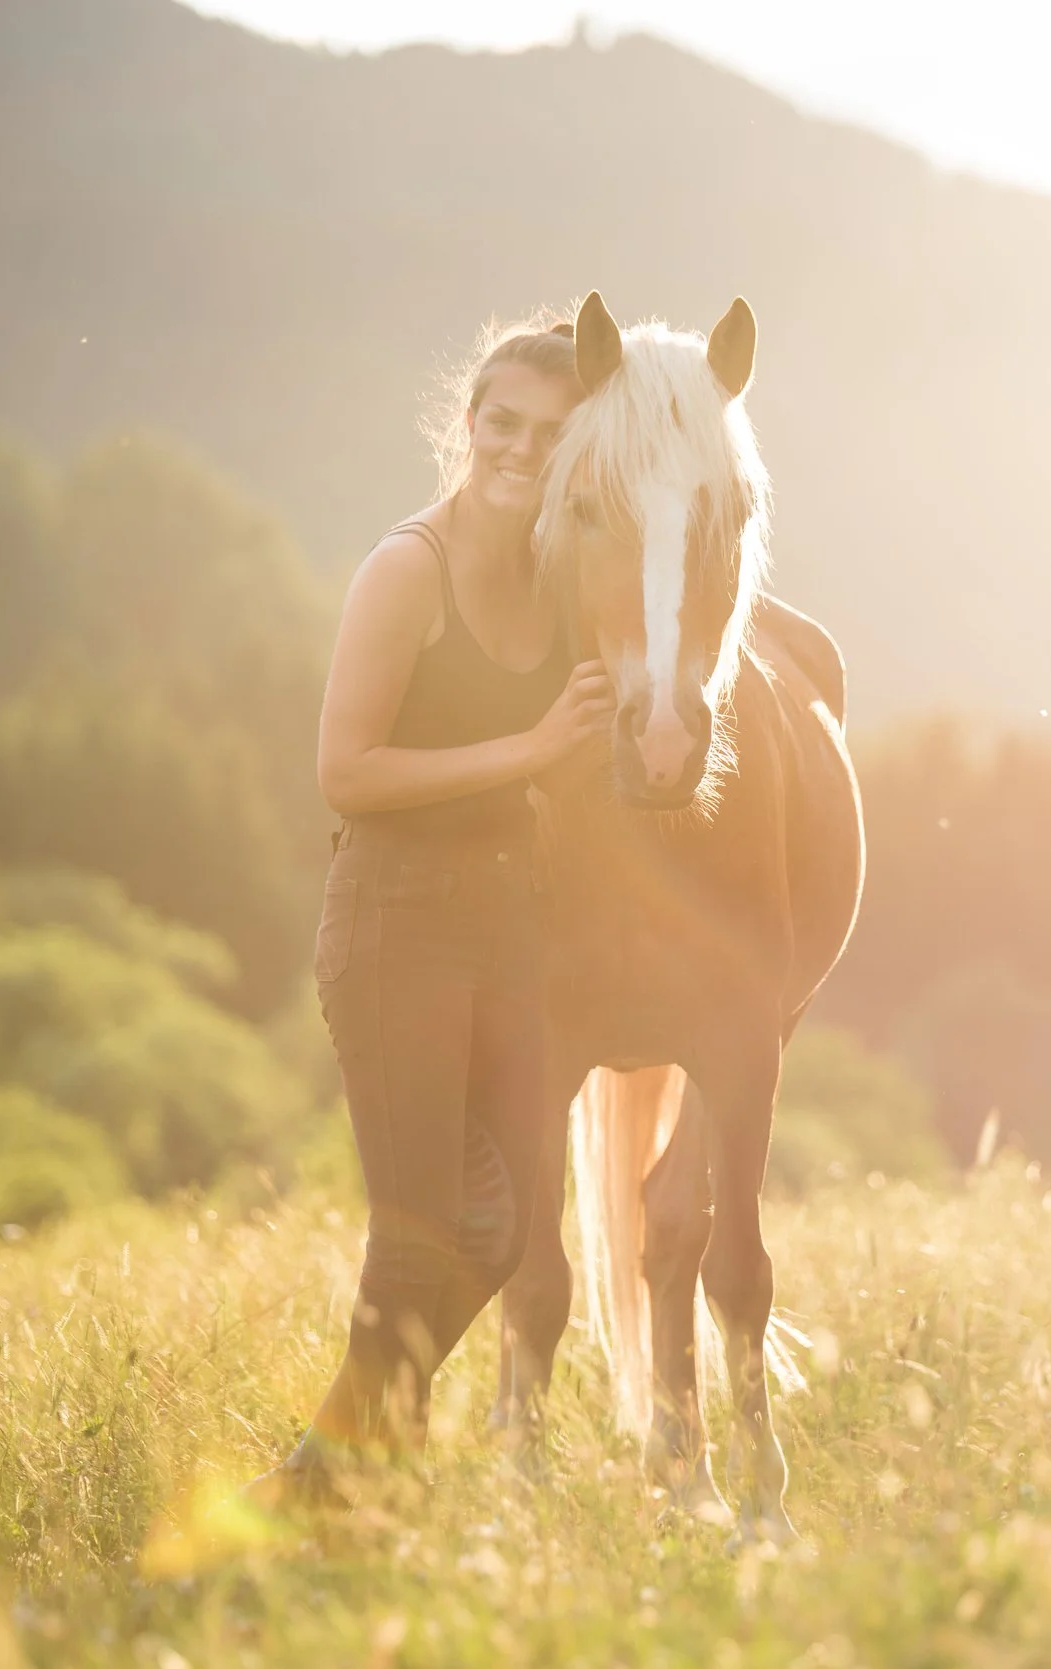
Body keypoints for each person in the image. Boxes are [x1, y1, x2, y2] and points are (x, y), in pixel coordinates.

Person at [254, 315, 613, 1502]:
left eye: (551, 436)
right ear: (467, 423)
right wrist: (526, 748)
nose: (519, 448)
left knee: (504, 1231)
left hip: (507, 934)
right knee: (422, 1237)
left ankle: (329, 1479)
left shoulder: (560, 584)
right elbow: (344, 771)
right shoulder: (407, 567)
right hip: (394, 926)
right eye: (500, 421)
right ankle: (347, 1488)